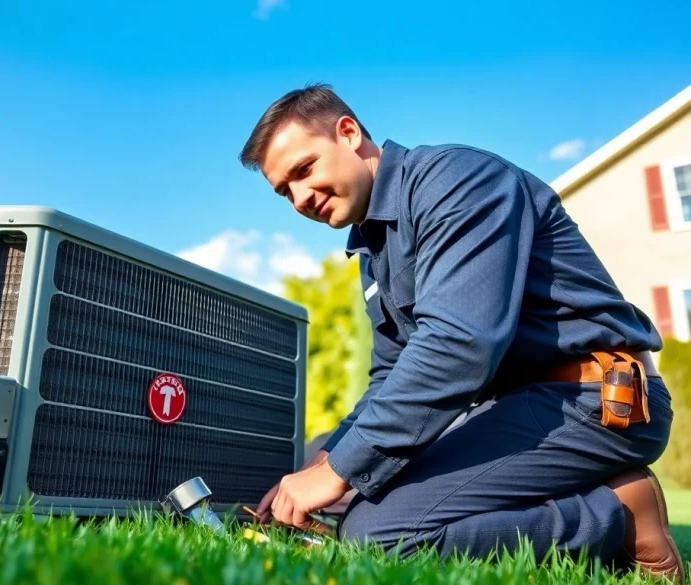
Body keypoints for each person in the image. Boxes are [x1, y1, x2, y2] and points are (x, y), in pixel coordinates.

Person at [240, 83, 682, 581]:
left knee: (379, 535)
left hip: (592, 400)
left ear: (348, 133)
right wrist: (325, 459)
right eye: (284, 191)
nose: (300, 198)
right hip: (514, 408)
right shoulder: (373, 246)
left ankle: (618, 515)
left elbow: (460, 344)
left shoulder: (454, 181)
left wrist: (336, 473)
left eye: (304, 170)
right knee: (354, 494)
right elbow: (391, 373)